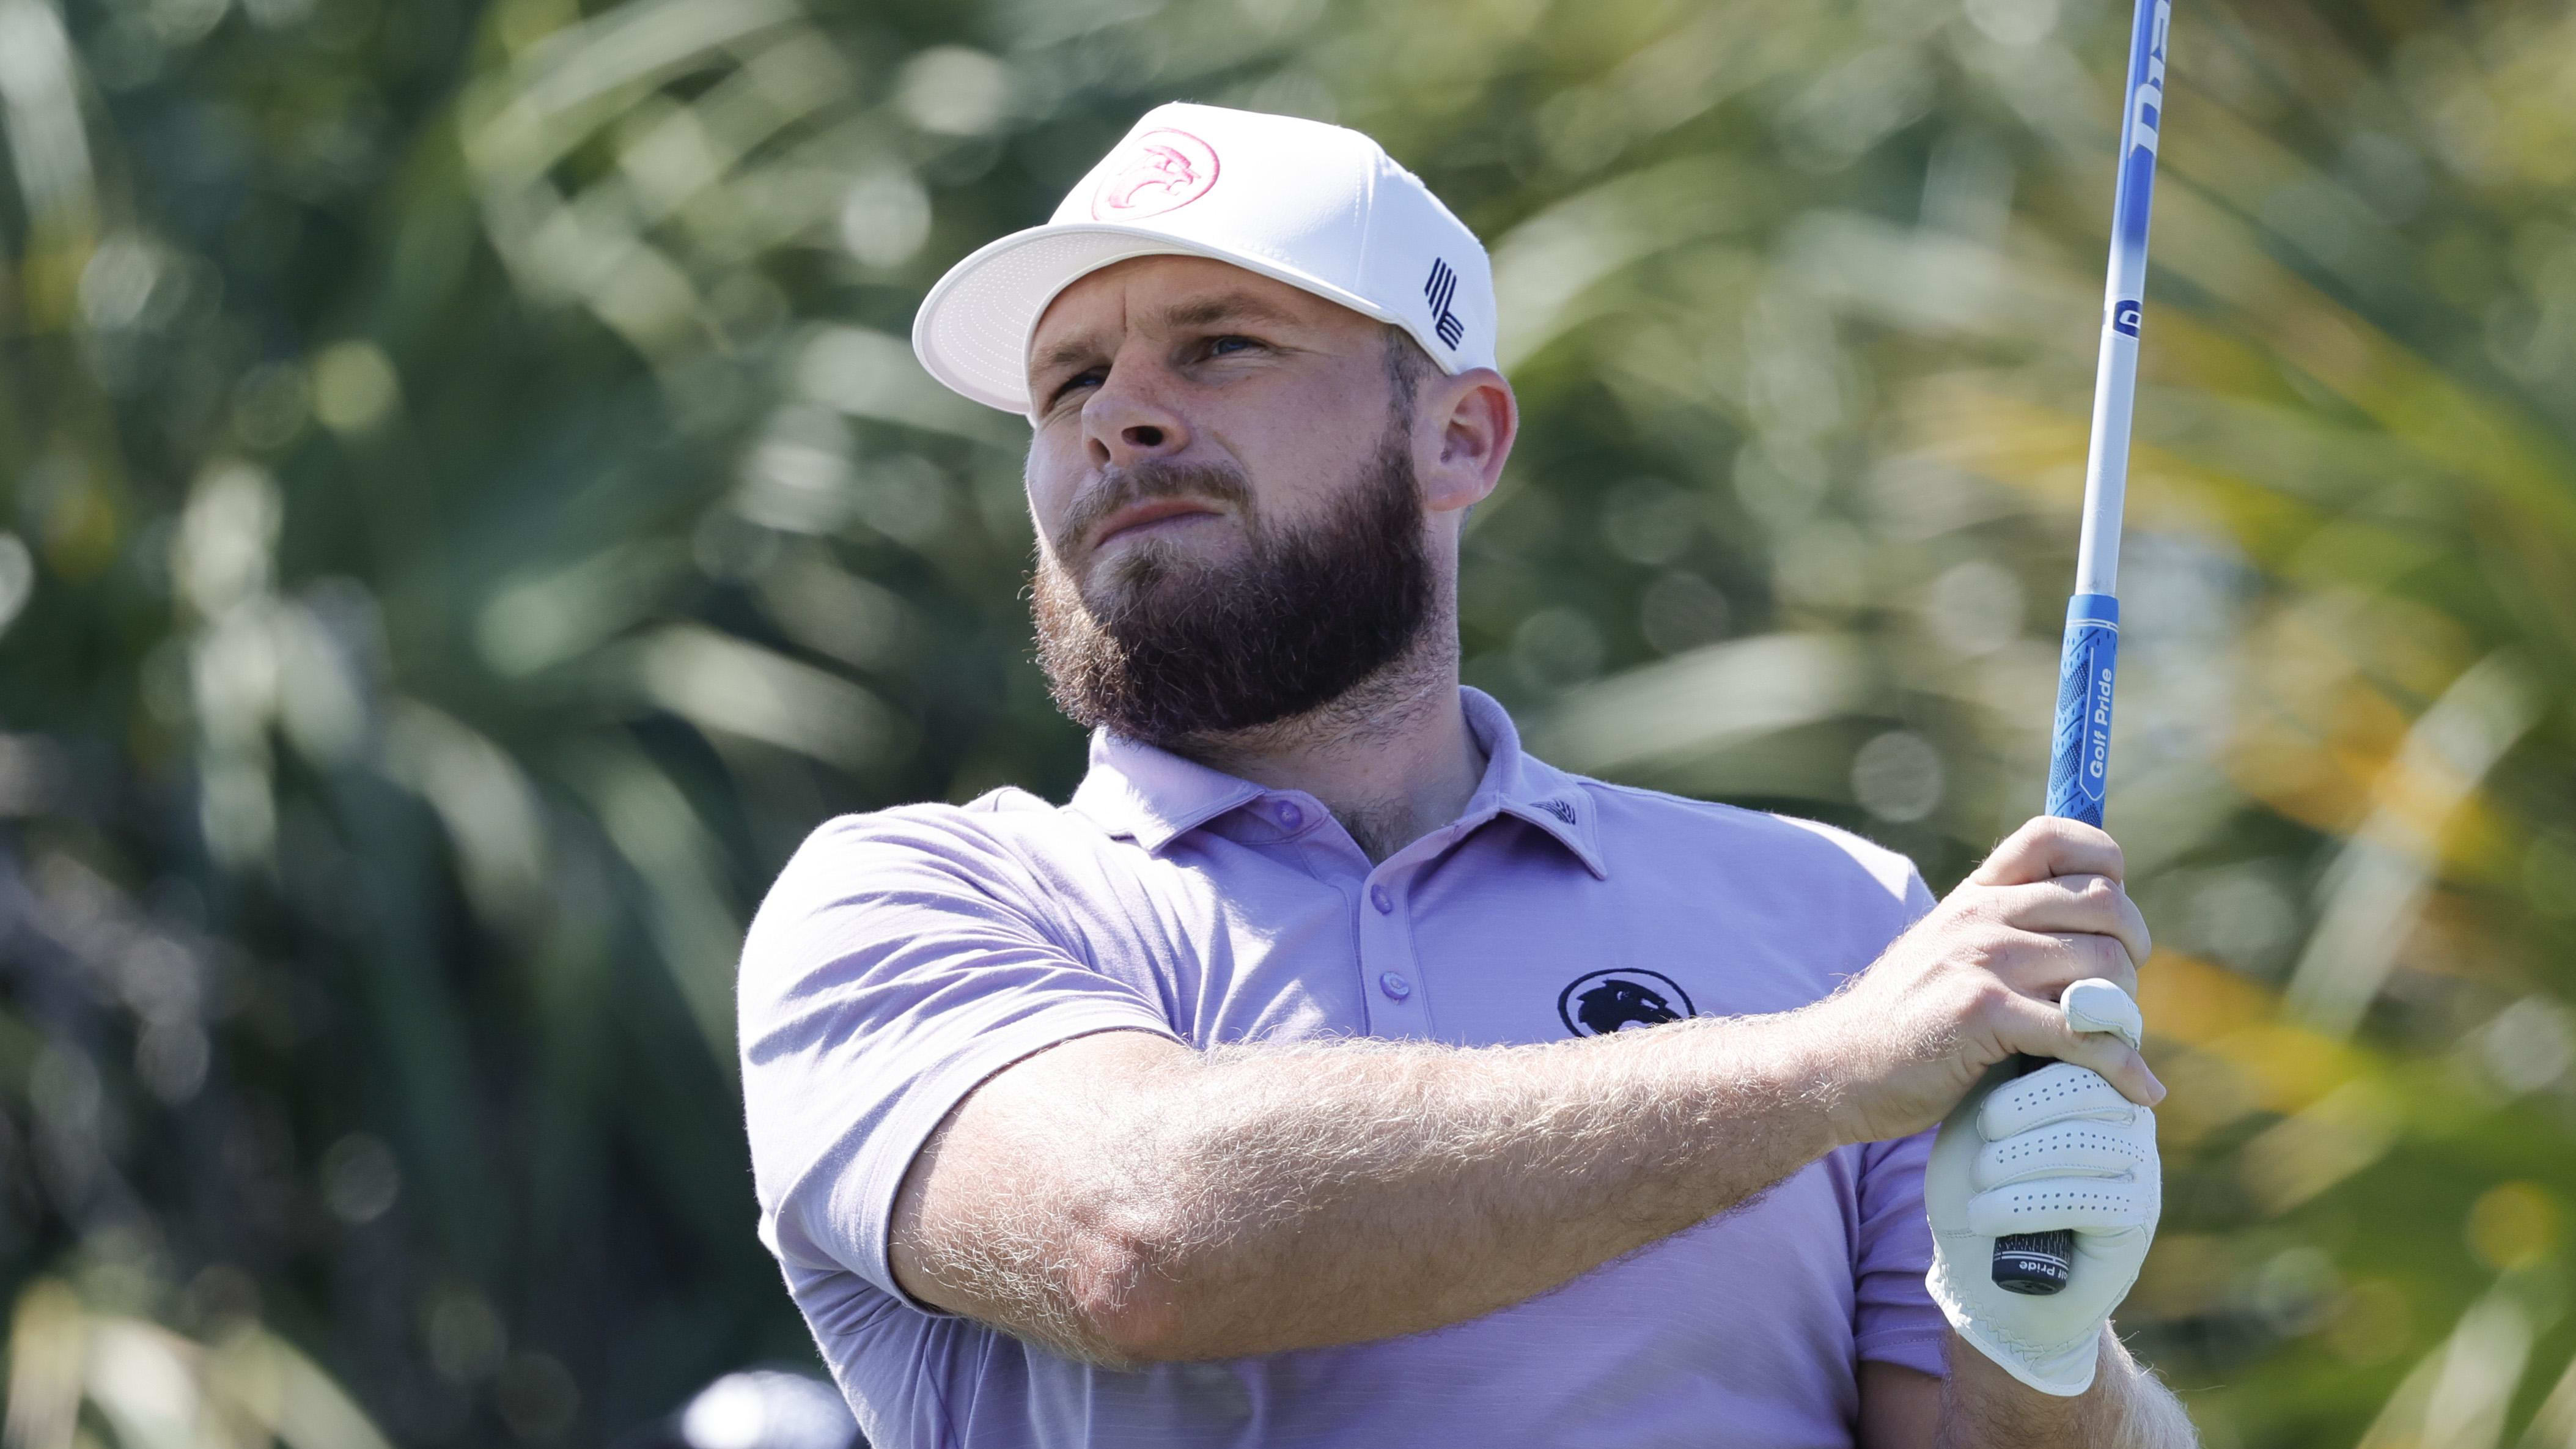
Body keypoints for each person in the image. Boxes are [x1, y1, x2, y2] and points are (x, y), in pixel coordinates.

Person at [738, 103, 2198, 1448]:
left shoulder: (1835, 912)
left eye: (1220, 346)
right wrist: (1832, 1066)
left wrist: (2042, 1348)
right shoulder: (907, 902)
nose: (1117, 415)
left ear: (1458, 435)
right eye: (1069, 383)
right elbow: (1138, 1243)